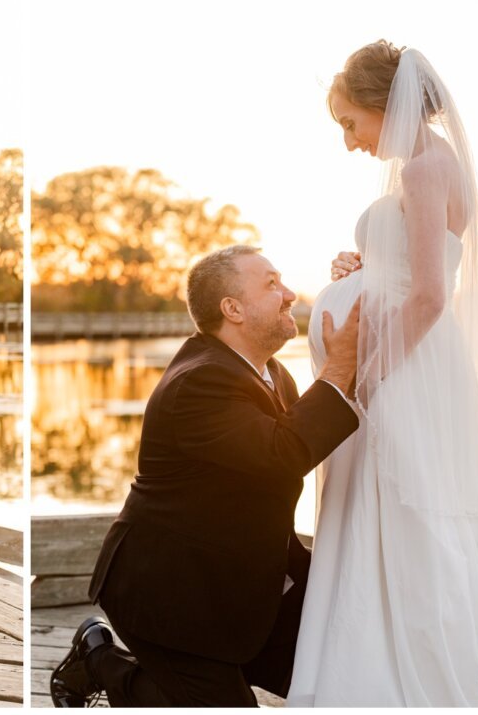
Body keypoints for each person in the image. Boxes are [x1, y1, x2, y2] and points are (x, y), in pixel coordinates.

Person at [288, 41, 478, 707]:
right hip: (412, 369)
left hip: (403, 378)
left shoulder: (424, 170)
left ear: (379, 104)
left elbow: (428, 296)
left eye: (349, 123)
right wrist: (359, 264)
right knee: (405, 518)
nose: (349, 142)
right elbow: (413, 270)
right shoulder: (429, 167)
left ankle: (396, 679)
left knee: (409, 520)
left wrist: (363, 380)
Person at [50, 245, 362, 707]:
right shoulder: (199, 383)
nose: (291, 294)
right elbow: (285, 453)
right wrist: (340, 365)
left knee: (345, 666)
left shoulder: (272, 374)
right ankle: (98, 661)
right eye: (272, 284)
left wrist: (359, 283)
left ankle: (222, 668)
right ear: (232, 309)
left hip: (241, 584)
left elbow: (301, 442)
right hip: (169, 597)